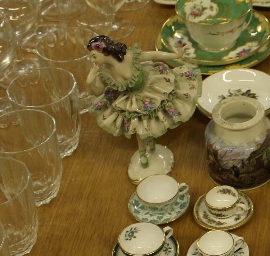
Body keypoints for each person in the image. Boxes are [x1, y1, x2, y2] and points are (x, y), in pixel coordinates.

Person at [85, 35, 202, 168]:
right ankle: (142, 152)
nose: (93, 61)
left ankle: (151, 144)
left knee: (152, 121)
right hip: (130, 100)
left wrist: (175, 55)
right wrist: (90, 82)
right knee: (138, 125)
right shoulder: (104, 73)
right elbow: (96, 92)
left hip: (150, 88)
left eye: (94, 56)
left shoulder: (128, 57)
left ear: (104, 51)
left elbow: (152, 55)